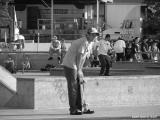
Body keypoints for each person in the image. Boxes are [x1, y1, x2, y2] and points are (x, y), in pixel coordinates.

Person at [62, 27, 99, 115]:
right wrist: (79, 70)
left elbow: (83, 58)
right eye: (93, 35)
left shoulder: (90, 43)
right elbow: (79, 56)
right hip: (70, 65)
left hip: (76, 66)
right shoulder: (84, 42)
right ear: (88, 34)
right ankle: (73, 109)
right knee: (73, 88)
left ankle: (82, 107)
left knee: (80, 85)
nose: (95, 36)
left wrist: (80, 70)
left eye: (96, 35)